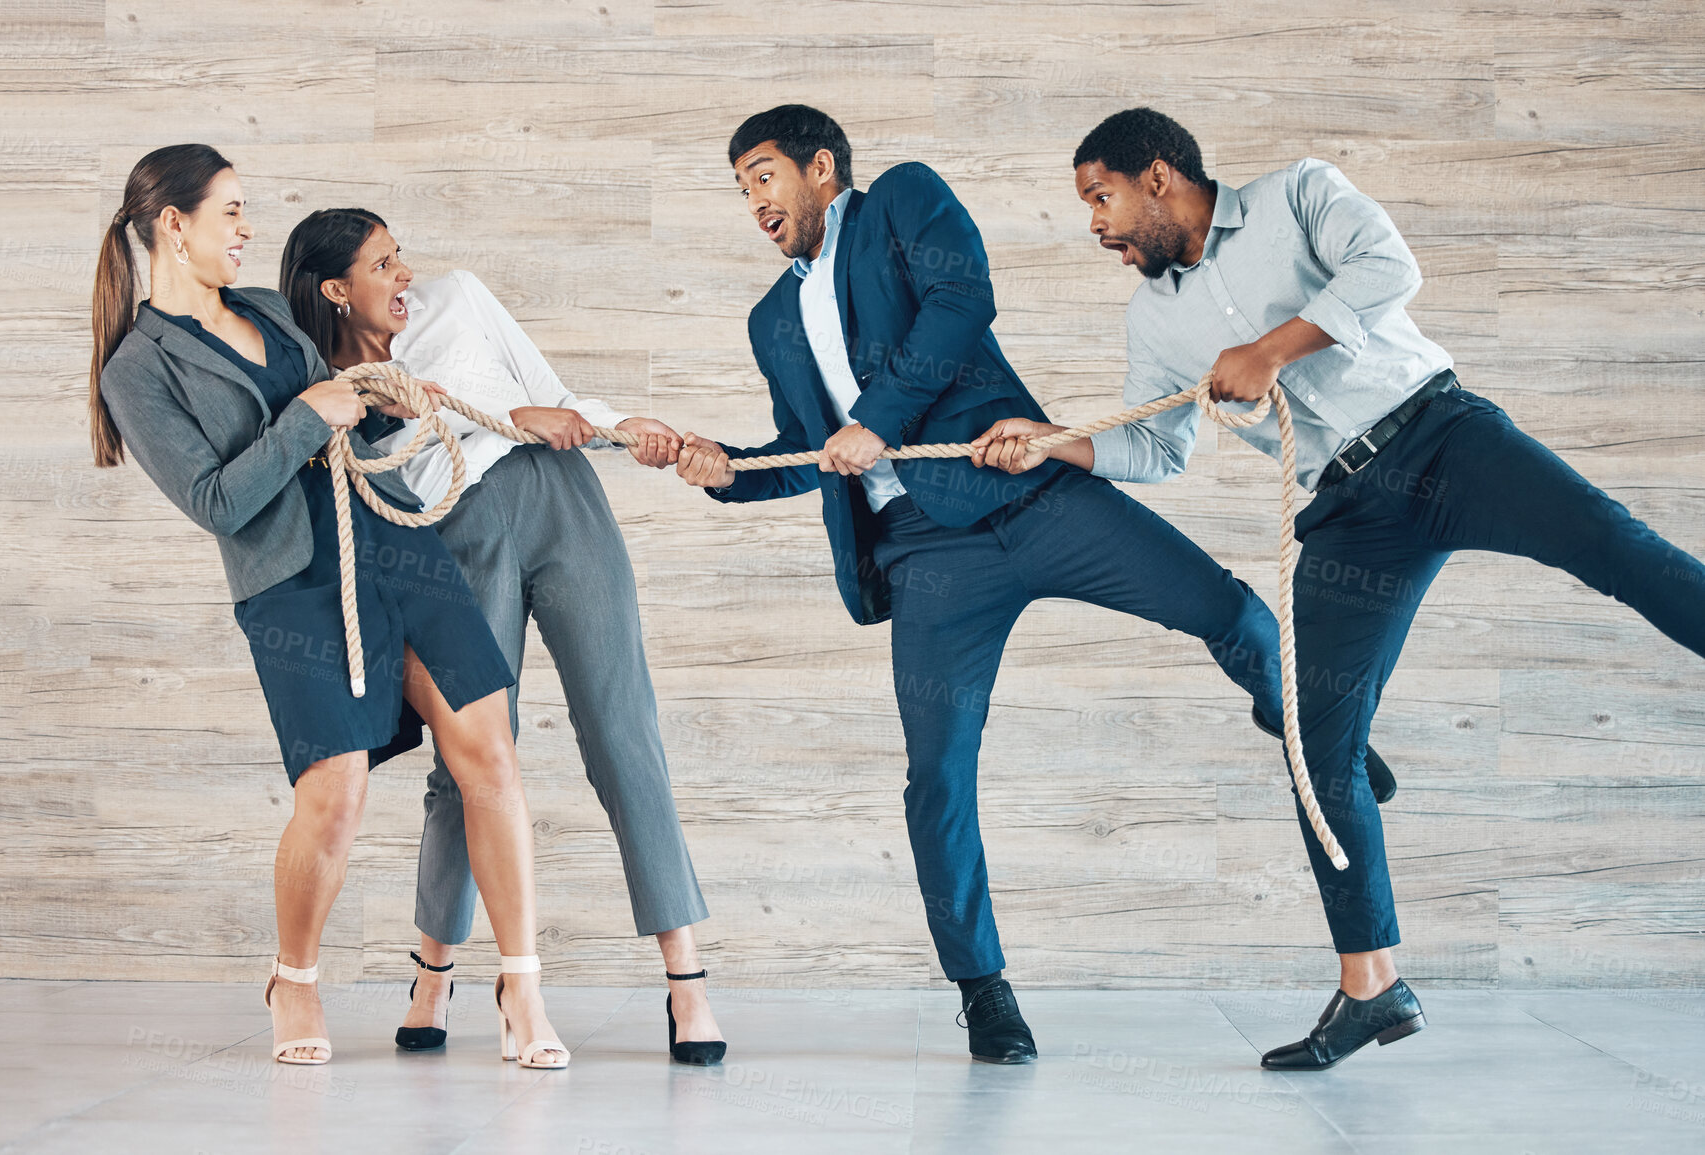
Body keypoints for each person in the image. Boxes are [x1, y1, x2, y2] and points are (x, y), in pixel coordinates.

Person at [972, 106, 1705, 1070]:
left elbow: (1388, 270)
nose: (1095, 225)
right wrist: (1052, 441)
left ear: (1157, 177)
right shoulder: (1153, 316)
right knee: (1314, 742)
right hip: (1346, 513)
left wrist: (1269, 350)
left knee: (1615, 549)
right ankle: (1373, 987)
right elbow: (1154, 446)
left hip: (1443, 438)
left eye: (1099, 199)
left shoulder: (1298, 194)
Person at [674, 105, 1395, 1064]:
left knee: (1227, 611)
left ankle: (1312, 735)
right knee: (935, 780)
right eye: (739, 189)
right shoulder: (772, 320)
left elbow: (960, 302)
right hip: (923, 556)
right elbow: (812, 454)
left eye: (762, 175)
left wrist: (880, 416)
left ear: (820, 167)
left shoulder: (900, 201)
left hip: (1026, 487)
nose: (752, 200)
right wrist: (726, 470)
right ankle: (984, 992)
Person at [91, 145, 568, 1069]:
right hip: (292, 583)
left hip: (394, 540)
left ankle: (522, 982)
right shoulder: (136, 370)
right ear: (171, 226)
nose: (246, 230)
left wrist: (390, 400)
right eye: (230, 212)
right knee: (335, 793)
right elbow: (217, 504)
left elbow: (350, 410)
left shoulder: (269, 310)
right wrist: (310, 412)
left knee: (489, 752)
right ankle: (295, 979)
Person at [280, 208, 724, 1065]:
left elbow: (553, 397)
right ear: (337, 290)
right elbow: (385, 471)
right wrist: (499, 414)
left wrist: (625, 427)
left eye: (400, 256)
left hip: (560, 502)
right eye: (383, 265)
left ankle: (687, 980)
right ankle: (434, 972)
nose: (405, 275)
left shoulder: (459, 299)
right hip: (451, 540)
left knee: (624, 731)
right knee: (469, 759)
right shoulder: (324, 380)